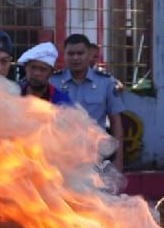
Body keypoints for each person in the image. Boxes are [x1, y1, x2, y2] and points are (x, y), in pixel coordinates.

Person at [51, 33, 126, 171]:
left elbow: (116, 122)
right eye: (71, 54)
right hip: (61, 157)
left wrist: (118, 160)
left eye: (80, 53)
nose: (76, 58)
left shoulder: (106, 83)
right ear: (64, 55)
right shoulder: (53, 82)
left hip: (95, 157)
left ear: (89, 54)